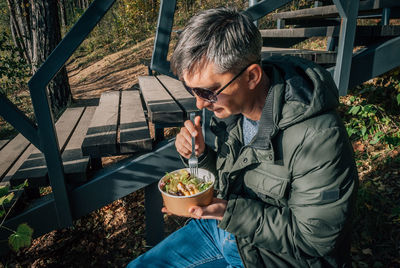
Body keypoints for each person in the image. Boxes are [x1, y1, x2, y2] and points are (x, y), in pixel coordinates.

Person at [127, 6, 358, 268]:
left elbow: (314, 241)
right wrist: (201, 158)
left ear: (252, 76)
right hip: (225, 231)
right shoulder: (234, 112)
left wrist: (228, 211)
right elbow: (235, 182)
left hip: (272, 258)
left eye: (208, 92)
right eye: (192, 90)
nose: (200, 104)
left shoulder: (318, 137)